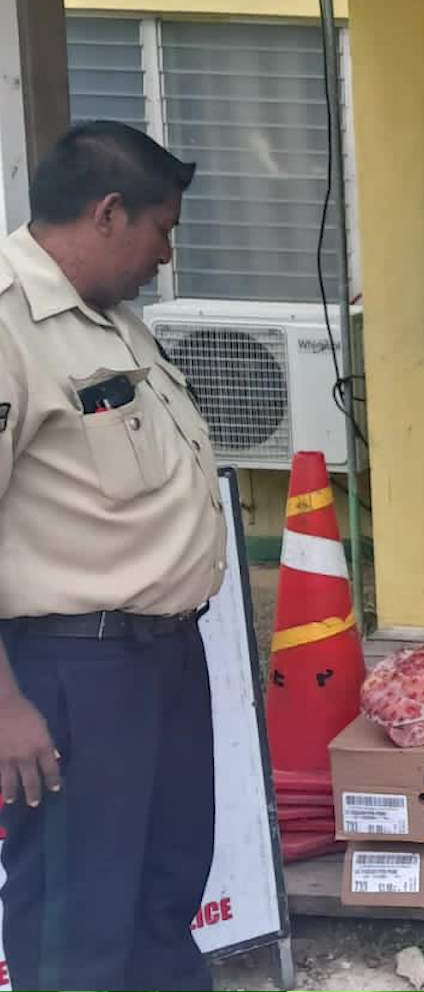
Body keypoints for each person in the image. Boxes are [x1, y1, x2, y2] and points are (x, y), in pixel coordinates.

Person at [0, 121, 224, 991]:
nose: (166, 253)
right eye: (161, 227)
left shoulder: (113, 321)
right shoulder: (13, 328)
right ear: (107, 213)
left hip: (160, 659)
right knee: (77, 919)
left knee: (163, 894)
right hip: (69, 674)